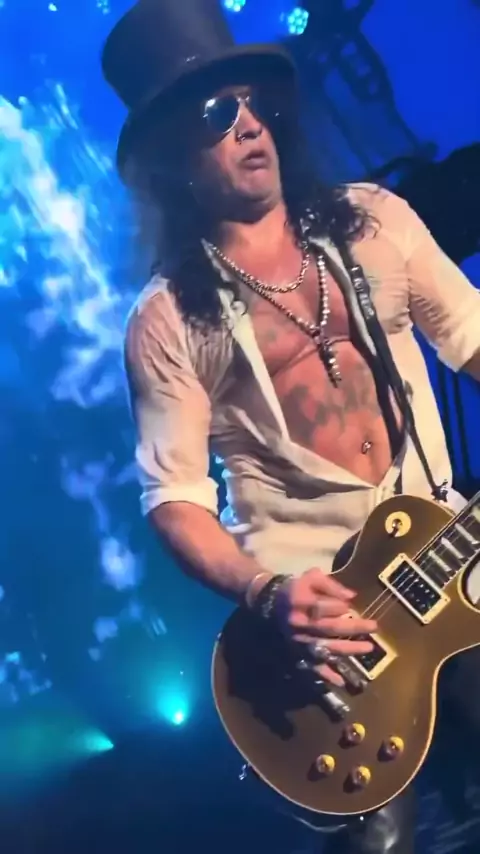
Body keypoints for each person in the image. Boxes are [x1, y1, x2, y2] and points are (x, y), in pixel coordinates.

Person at [102, 1, 480, 851]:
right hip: (323, 636)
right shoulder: (167, 319)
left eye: (257, 104)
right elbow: (175, 499)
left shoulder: (375, 222)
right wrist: (267, 594)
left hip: (448, 554)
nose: (249, 126)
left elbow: (471, 335)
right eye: (217, 113)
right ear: (171, 154)